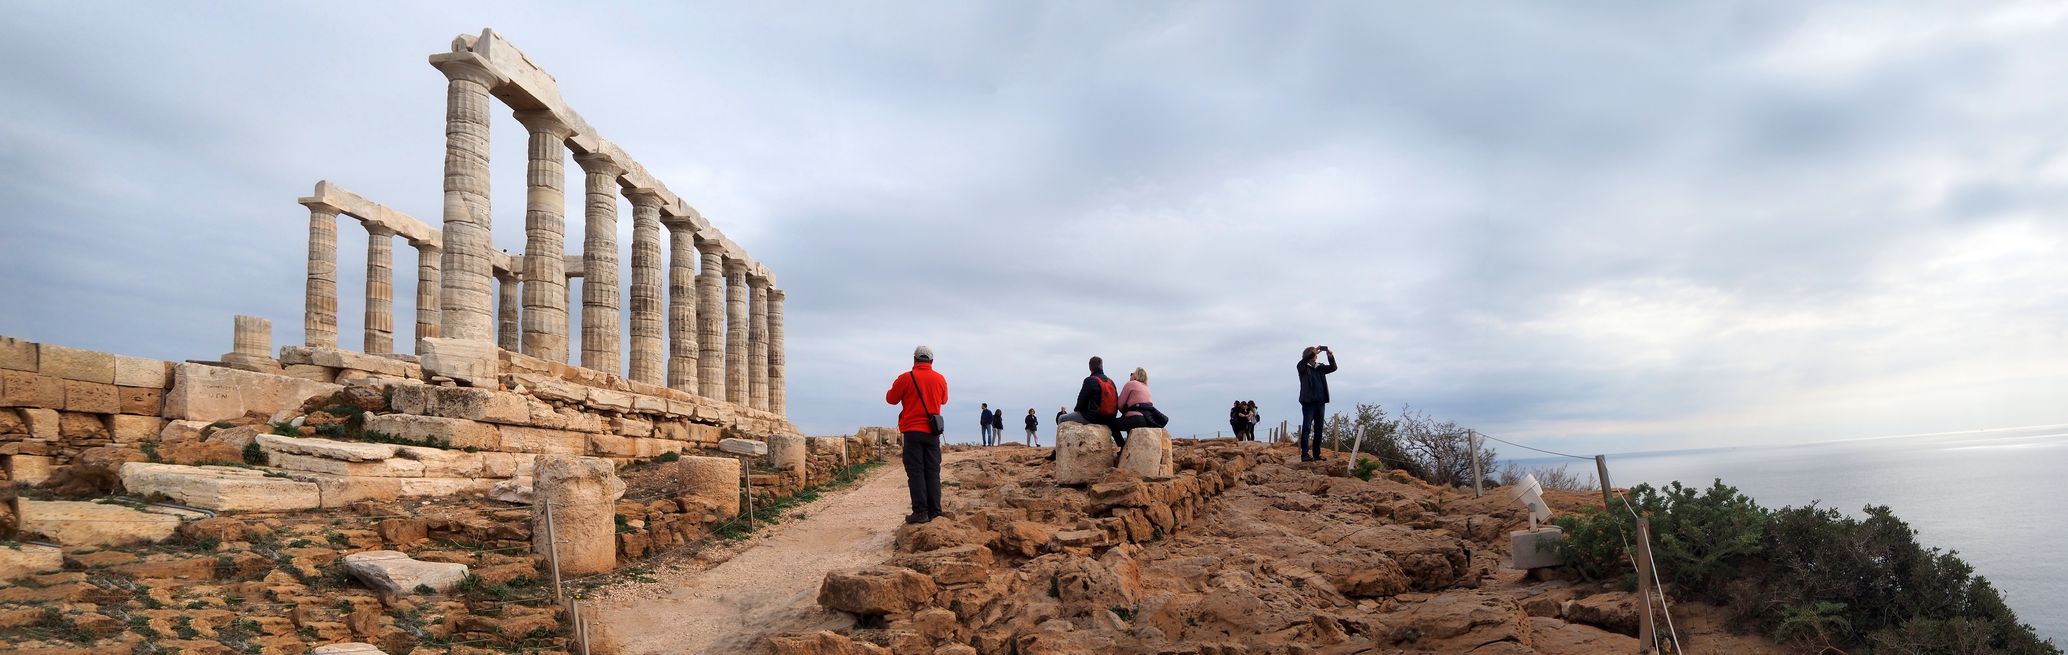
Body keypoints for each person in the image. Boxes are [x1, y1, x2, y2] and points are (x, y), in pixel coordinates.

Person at [886, 345, 948, 524]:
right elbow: (944, 400)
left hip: (912, 431)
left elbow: (891, 399)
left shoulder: (906, 378)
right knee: (933, 471)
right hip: (932, 433)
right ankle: (935, 511)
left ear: (914, 359)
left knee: (916, 472)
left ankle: (921, 512)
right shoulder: (940, 379)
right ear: (932, 361)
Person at [1057, 356, 1119, 437]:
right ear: (1102, 366)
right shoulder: (1111, 382)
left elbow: (1081, 402)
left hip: (1093, 417)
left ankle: (1061, 444)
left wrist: (1078, 411)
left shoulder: (1089, 380)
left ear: (1090, 368)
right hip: (1110, 418)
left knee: (1061, 418)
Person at [1297, 346, 1338, 462]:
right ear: (1308, 355)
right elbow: (1303, 361)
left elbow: (1333, 368)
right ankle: (1305, 454)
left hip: (1320, 403)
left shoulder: (1320, 367)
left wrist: (1330, 357)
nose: (1316, 355)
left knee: (1319, 429)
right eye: (1314, 354)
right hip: (1308, 403)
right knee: (1306, 428)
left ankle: (1316, 454)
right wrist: (1312, 352)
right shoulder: (1302, 367)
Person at [1108, 367, 1164, 448]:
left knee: (1112, 424)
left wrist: (1124, 410)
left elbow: (1120, 404)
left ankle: (1122, 447)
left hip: (1136, 419)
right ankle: (1129, 447)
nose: (1131, 375)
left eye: (1132, 373)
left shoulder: (1131, 384)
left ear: (1136, 375)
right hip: (1147, 420)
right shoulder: (1146, 387)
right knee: (1126, 422)